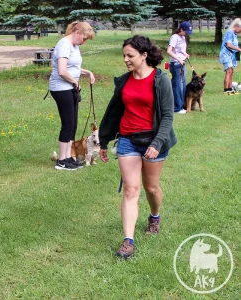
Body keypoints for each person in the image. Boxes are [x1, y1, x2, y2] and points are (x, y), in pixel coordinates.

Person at [99, 35, 177, 259]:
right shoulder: (124, 80)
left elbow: (168, 116)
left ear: (144, 56)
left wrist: (157, 142)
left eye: (130, 55)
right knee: (131, 190)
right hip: (128, 139)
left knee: (151, 188)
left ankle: (154, 215)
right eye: (124, 55)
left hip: (154, 140)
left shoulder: (160, 80)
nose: (126, 59)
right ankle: (128, 241)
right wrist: (104, 140)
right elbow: (113, 112)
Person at [49, 21, 96, 171]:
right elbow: (62, 71)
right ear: (78, 33)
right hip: (61, 88)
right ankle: (61, 162)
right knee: (68, 124)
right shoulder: (64, 44)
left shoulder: (74, 46)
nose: (84, 42)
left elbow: (73, 66)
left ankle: (68, 157)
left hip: (70, 88)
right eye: (85, 38)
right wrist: (75, 82)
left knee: (73, 124)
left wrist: (87, 72)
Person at [167, 21, 192, 114]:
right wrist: (178, 59)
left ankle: (181, 105)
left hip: (183, 63)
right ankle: (176, 108)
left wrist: (185, 54)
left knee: (183, 85)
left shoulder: (183, 37)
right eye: (185, 32)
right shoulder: (174, 37)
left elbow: (181, 50)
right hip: (176, 64)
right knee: (177, 86)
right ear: (181, 29)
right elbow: (169, 51)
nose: (186, 34)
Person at [219, 18, 241, 95]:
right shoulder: (229, 32)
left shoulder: (234, 34)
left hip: (231, 55)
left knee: (231, 71)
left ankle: (230, 88)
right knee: (228, 71)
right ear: (237, 26)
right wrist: (238, 49)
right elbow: (228, 44)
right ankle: (226, 89)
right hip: (226, 54)